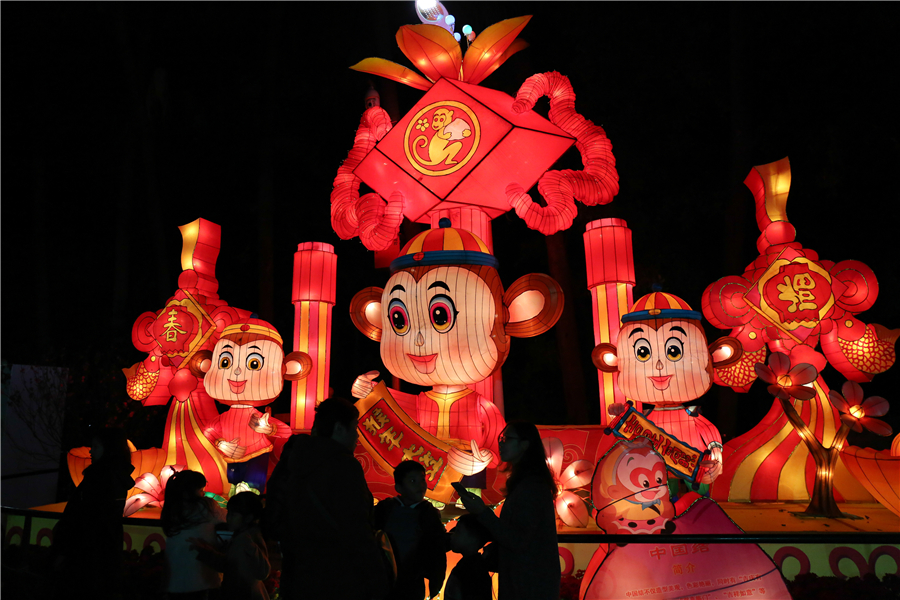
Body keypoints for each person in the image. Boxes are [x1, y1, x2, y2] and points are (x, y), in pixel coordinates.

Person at [268, 397, 389, 600]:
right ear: (339, 428)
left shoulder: (292, 460)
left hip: (297, 574)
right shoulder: (343, 466)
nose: (357, 435)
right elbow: (355, 527)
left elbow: (274, 514)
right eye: (354, 427)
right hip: (337, 578)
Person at [456, 422, 560, 600]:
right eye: (501, 439)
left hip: (529, 583)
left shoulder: (532, 487)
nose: (501, 443)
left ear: (525, 445)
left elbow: (517, 538)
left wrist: (482, 512)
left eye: (507, 439)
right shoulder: (526, 483)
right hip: (526, 580)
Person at [51, 426, 136, 600]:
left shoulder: (98, 478)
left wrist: (63, 549)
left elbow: (81, 517)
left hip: (85, 553)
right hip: (105, 551)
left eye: (96, 447)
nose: (90, 451)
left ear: (108, 449)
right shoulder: (117, 477)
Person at [373, 460, 448, 600]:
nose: (420, 485)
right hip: (383, 577)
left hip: (414, 580)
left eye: (422, 480)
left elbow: (436, 549)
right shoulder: (385, 509)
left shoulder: (429, 513)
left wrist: (435, 582)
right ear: (399, 487)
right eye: (413, 481)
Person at [191, 492, 271, 600]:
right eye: (229, 513)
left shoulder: (247, 539)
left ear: (248, 518)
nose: (228, 518)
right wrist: (206, 550)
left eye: (233, 515)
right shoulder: (242, 536)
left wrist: (206, 552)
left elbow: (262, 572)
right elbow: (231, 565)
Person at [161, 470, 227, 599]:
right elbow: (228, 518)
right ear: (191, 492)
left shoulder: (171, 510)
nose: (203, 493)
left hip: (174, 581)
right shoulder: (207, 507)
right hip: (202, 579)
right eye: (201, 489)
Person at [444, 514, 492, 600]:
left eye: (458, 531)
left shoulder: (472, 570)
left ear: (473, 538)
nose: (452, 535)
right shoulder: (472, 565)